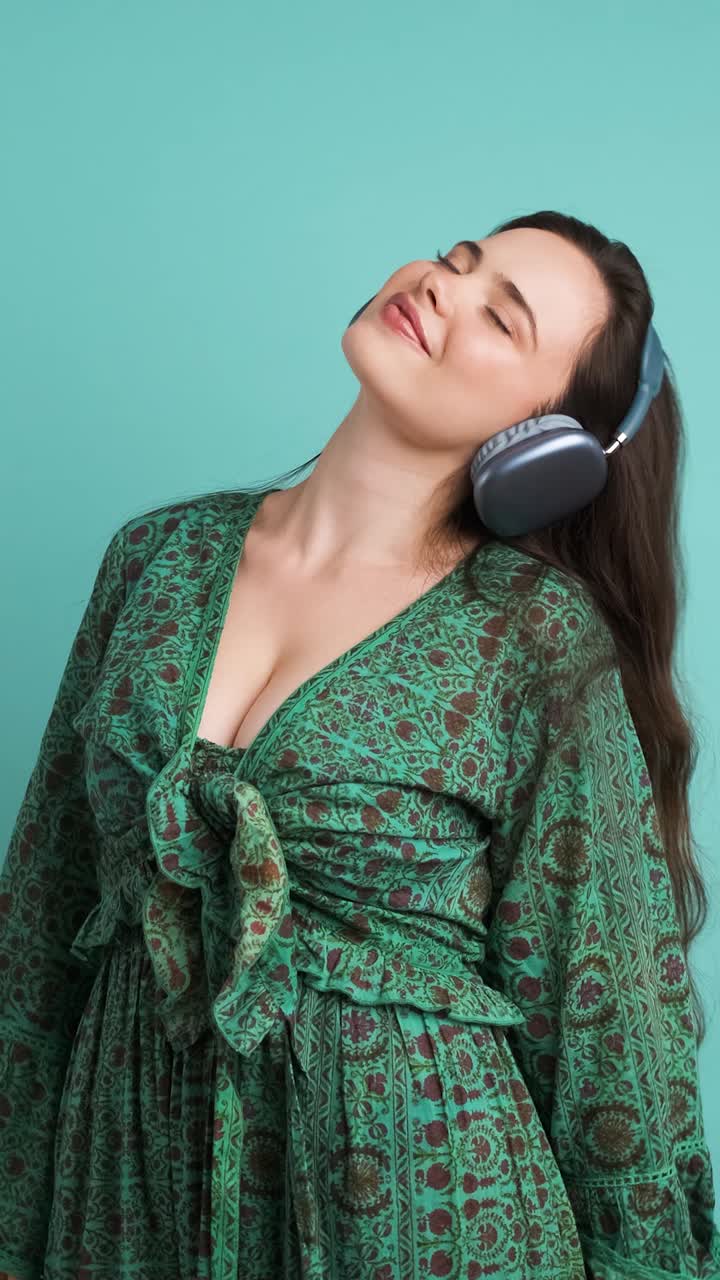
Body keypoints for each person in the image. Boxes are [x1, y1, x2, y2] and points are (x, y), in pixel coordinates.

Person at [1, 209, 718, 1279]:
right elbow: (42, 902)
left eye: (502, 316)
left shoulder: (533, 640)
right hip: (125, 1194)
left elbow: (613, 1027)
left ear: (548, 436)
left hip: (422, 1220)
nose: (441, 285)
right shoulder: (158, 556)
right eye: (461, 259)